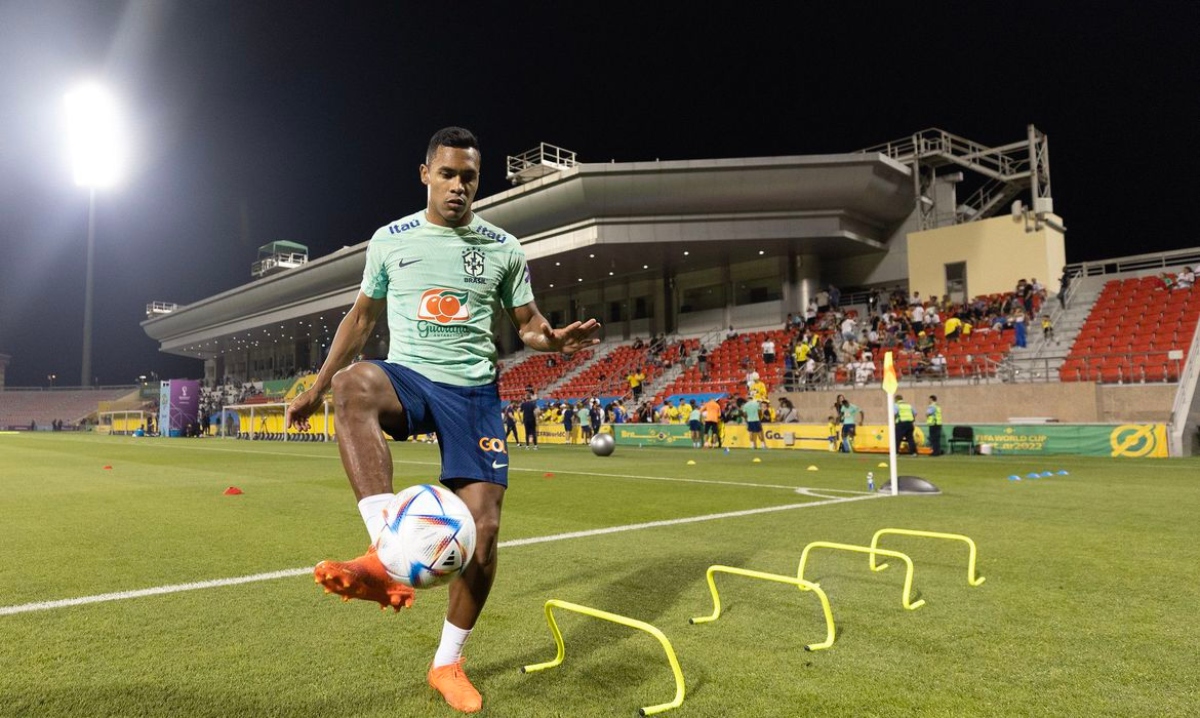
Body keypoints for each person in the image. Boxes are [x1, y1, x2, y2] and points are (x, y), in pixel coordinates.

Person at [285, 127, 601, 714]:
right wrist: (317, 385)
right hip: (410, 378)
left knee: (482, 536)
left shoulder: (503, 247)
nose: (459, 186)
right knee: (354, 385)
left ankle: (447, 664)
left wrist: (551, 340)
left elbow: (528, 323)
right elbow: (360, 320)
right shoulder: (391, 239)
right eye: (449, 174)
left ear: (479, 181)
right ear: (426, 173)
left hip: (474, 392)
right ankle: (386, 552)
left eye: (470, 177)